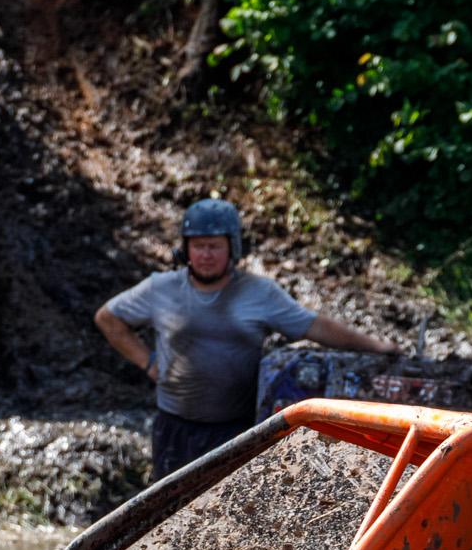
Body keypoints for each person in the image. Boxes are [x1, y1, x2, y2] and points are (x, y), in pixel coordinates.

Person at [95, 198, 398, 479]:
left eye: (215, 246)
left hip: (236, 431)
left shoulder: (260, 292)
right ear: (186, 249)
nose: (206, 255)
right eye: (198, 246)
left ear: (233, 248)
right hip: (175, 429)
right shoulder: (161, 288)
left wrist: (376, 347)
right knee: (169, 512)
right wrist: (148, 363)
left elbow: (314, 326)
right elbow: (108, 318)